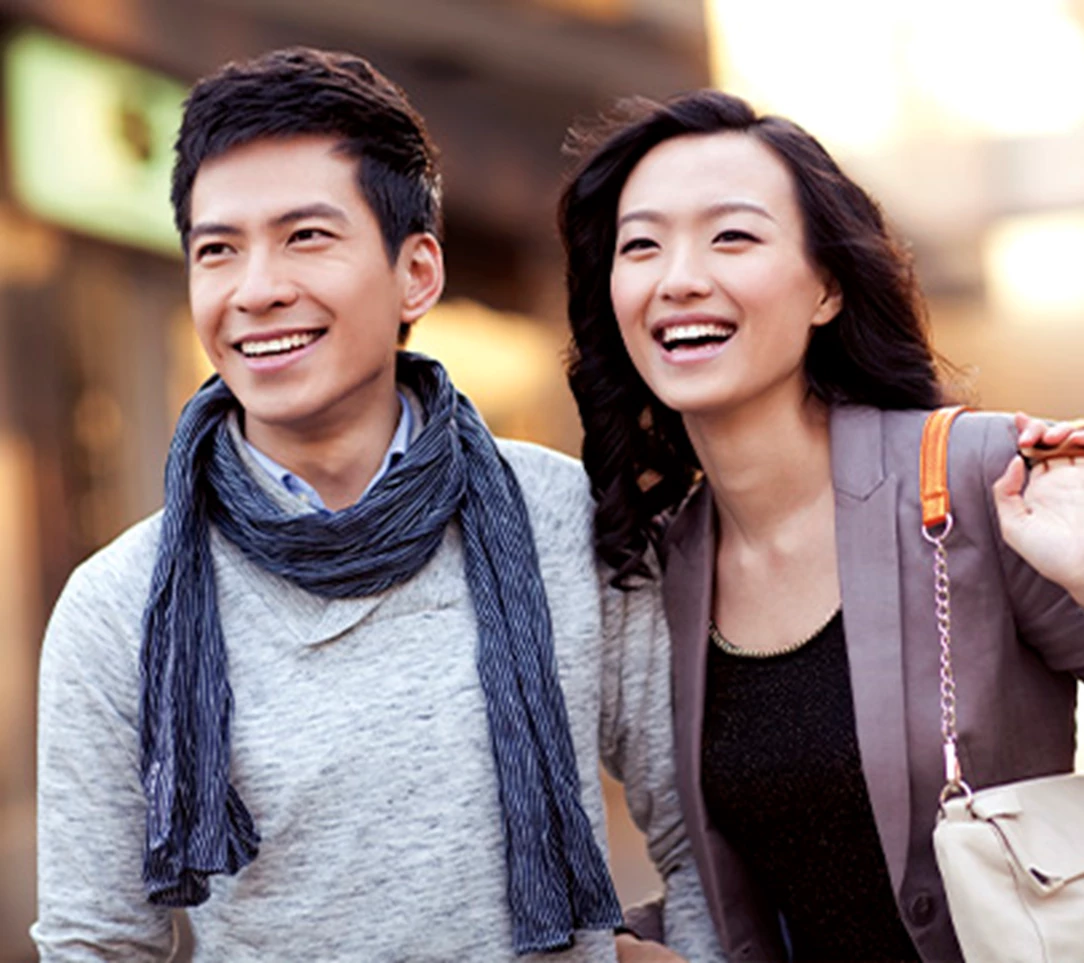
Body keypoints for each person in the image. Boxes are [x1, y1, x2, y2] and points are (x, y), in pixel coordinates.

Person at [32, 48, 723, 962]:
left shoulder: (562, 514)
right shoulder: (119, 603)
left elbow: (701, 838)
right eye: (217, 250)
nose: (256, 289)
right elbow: (98, 942)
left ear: (418, 274)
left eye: (306, 236)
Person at [557, 89, 1084, 962]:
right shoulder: (663, 562)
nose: (678, 277)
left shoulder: (975, 476)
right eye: (642, 245)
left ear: (826, 287)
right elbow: (753, 896)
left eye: (732, 236)